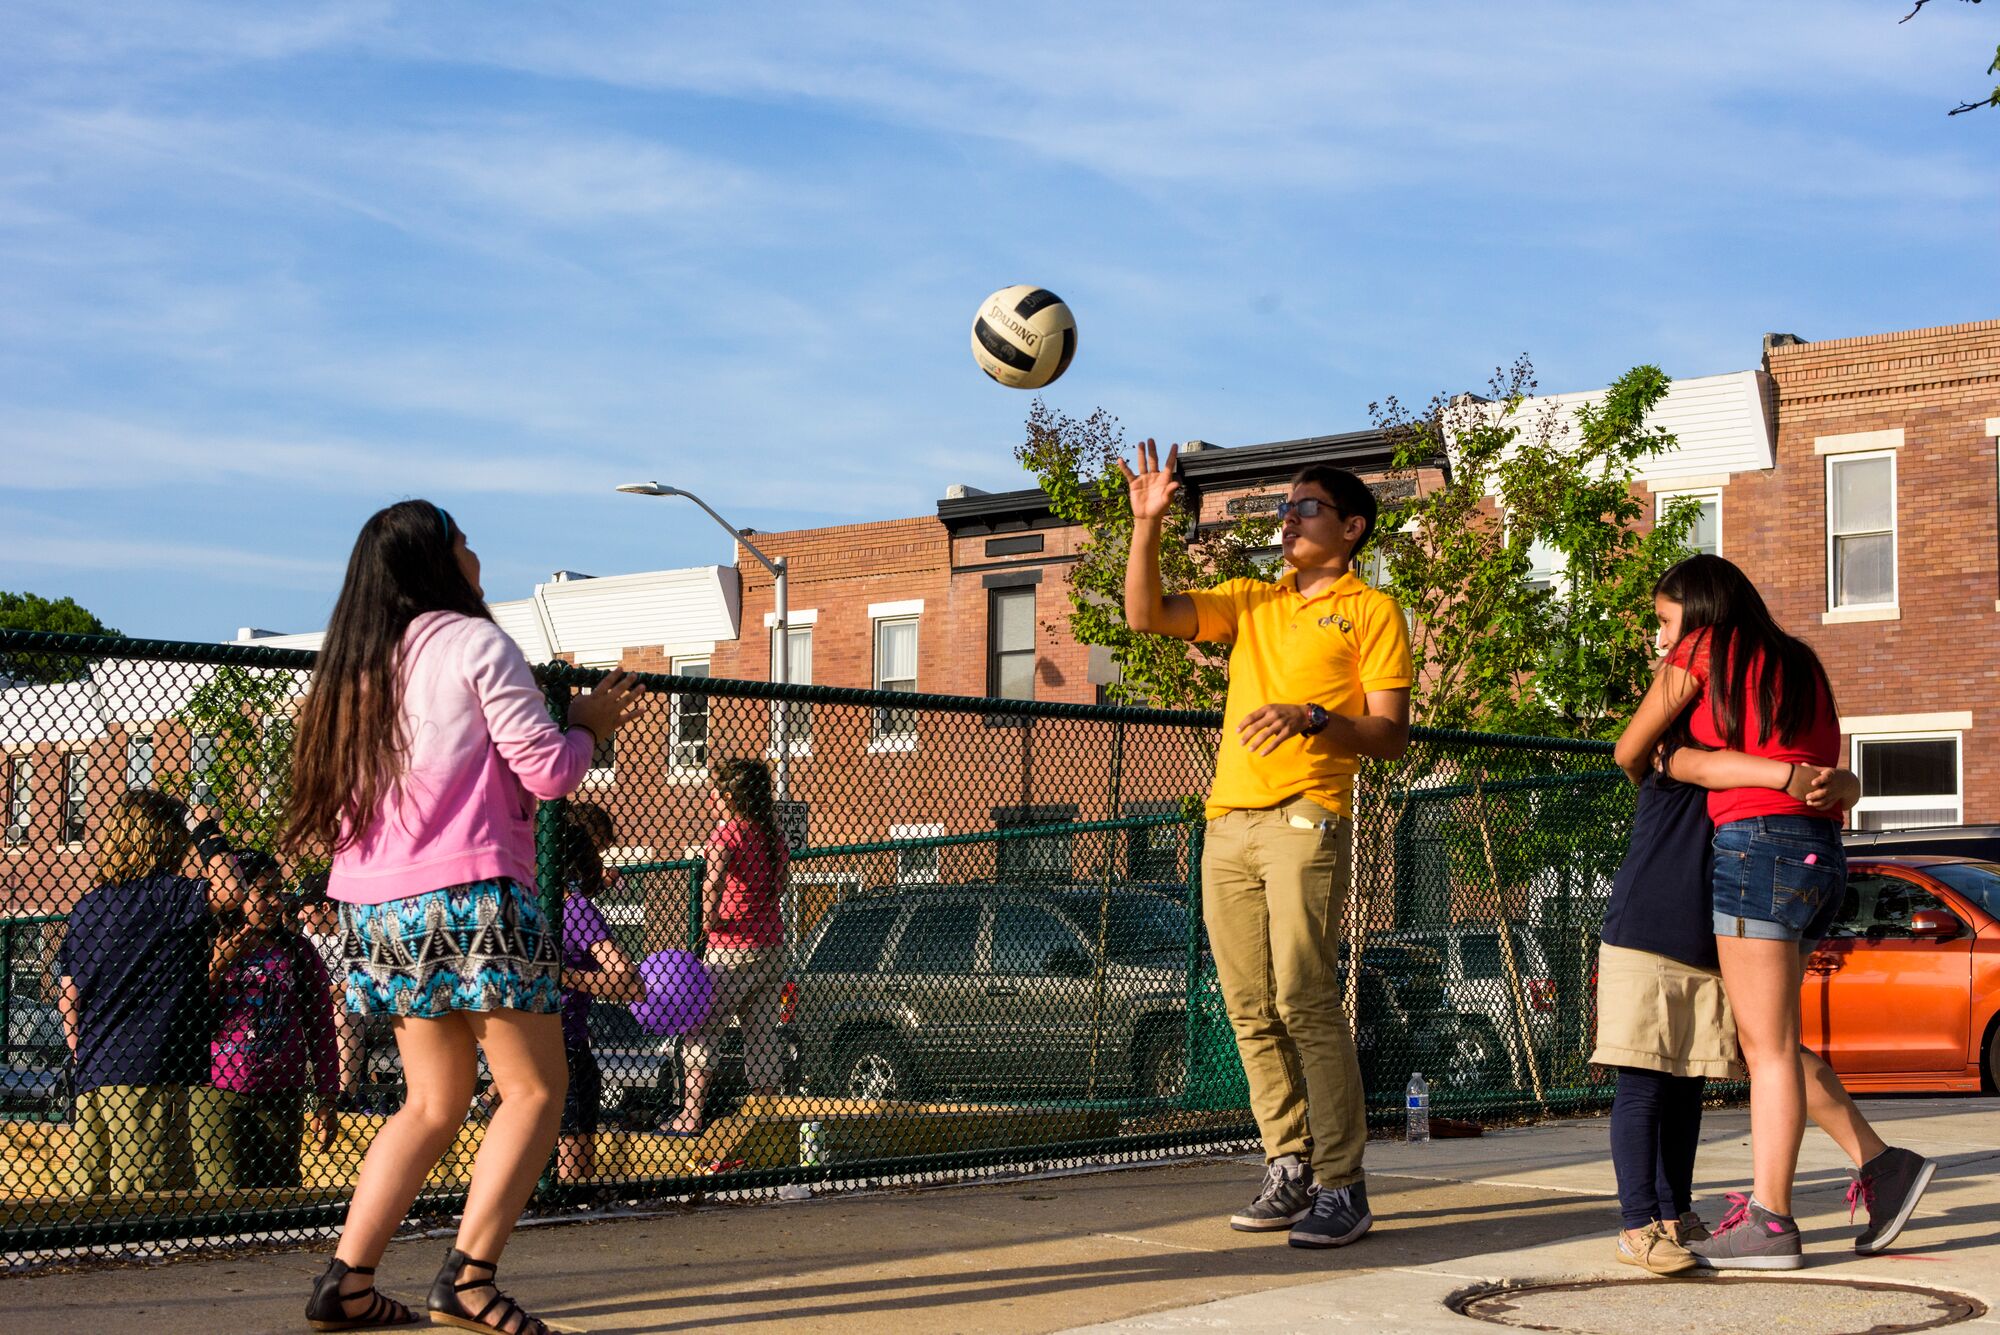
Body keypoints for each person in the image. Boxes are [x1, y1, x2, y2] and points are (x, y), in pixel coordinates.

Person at [284, 499, 641, 1333]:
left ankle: (348, 1279)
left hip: (376, 909)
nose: (477, 556)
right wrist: (587, 725)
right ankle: (470, 1278)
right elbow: (550, 772)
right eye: (464, 543)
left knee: (432, 1103)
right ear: (438, 565)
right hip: (474, 896)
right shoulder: (477, 643)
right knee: (535, 1088)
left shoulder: (349, 675)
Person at [1119, 440, 1411, 1250]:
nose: (1287, 518)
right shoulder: (1252, 599)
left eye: (1305, 506)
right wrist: (1146, 526)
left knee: (1306, 999)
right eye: (1283, 507)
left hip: (1306, 813)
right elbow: (1145, 615)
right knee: (1246, 1005)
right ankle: (1288, 1163)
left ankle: (1343, 1186)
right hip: (1228, 822)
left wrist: (1316, 716)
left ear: (1352, 527)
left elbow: (1390, 735)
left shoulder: (1373, 611)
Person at [1615, 554, 1935, 1269]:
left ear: (1696, 612)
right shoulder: (1802, 660)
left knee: (1763, 1050)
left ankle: (1771, 1218)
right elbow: (1833, 771)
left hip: (1755, 845)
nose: (1662, 639)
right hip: (1819, 850)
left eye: (1665, 620)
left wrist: (1674, 758)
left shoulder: (1703, 650)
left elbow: (1628, 748)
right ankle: (1882, 1165)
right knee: (1774, 1039)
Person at [1596, 702, 1859, 1275]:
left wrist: (1845, 783)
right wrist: (1793, 775)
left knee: (1687, 1088)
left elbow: (1830, 790)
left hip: (1713, 942)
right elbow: (1692, 763)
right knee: (1644, 1083)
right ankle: (1636, 1225)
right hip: (1645, 934)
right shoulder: (1676, 752)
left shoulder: (1751, 766)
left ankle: (1676, 1215)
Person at [55, 790, 245, 1195]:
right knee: (148, 1205)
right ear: (166, 837)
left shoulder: (88, 905)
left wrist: (81, 1048)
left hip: (94, 1074)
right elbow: (231, 890)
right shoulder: (167, 894)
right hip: (152, 1072)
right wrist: (207, 830)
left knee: (90, 1203)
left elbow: (68, 995)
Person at [191, 849, 342, 1191]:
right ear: (238, 894)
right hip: (217, 1090)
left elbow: (321, 1026)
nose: (276, 902)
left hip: (281, 1092)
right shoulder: (207, 942)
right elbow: (187, 1013)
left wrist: (327, 1097)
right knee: (221, 1196)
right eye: (264, 891)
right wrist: (218, 965)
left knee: (280, 1194)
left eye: (279, 890)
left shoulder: (298, 952)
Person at [662, 758, 789, 1136]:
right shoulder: (771, 834)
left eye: (715, 792)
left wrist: (709, 918)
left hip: (731, 947)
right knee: (763, 1032)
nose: (711, 798)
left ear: (728, 798)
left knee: (703, 1027)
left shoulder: (725, 835)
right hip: (771, 945)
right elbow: (781, 884)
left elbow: (712, 881)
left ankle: (690, 1114)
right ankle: (767, 1112)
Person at [555, 802, 641, 1181]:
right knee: (575, 1153)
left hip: (521, 1041)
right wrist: (567, 977)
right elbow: (624, 977)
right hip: (565, 1041)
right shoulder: (577, 910)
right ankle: (572, 1196)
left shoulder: (518, 904)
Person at [297, 872, 367, 1112]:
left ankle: (344, 1099)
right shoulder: (308, 934)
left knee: (343, 1009)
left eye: (304, 909)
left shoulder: (356, 928)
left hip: (371, 1011)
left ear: (324, 907)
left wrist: (320, 993)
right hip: (322, 1003)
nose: (299, 916)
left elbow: (359, 984)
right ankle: (307, 1095)